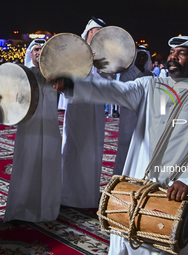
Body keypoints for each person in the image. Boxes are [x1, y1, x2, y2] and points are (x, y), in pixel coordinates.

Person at [54, 35, 188, 255]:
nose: (173, 56)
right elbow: (113, 90)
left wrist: (186, 180)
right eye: (172, 52)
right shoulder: (149, 85)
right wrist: (74, 84)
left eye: (181, 53)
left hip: (177, 190)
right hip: (138, 181)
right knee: (127, 240)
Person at [60, 17, 116, 208]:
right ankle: (67, 195)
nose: (98, 34)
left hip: (97, 110)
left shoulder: (104, 56)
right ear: (88, 33)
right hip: (78, 108)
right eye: (95, 31)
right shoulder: (76, 53)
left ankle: (88, 196)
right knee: (74, 148)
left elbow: (111, 79)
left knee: (93, 151)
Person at [4, 39, 61, 223]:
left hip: (51, 129)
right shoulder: (23, 74)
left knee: (49, 169)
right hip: (28, 130)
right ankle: (20, 211)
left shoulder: (55, 75)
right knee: (26, 168)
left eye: (43, 49)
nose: (39, 52)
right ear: (31, 53)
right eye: (36, 49)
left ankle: (47, 210)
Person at [113, 45, 153, 175]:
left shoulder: (150, 75)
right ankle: (119, 177)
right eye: (139, 55)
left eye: (144, 56)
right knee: (125, 146)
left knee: (141, 148)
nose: (141, 58)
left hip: (144, 116)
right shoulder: (126, 75)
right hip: (129, 115)